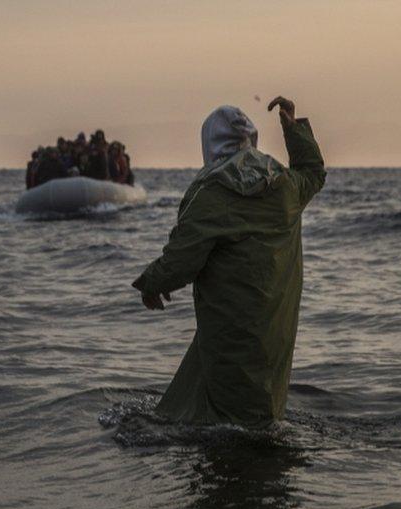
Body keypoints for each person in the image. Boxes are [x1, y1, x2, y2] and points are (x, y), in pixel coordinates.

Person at [131, 97, 326, 428]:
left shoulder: (211, 192)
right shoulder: (284, 186)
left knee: (224, 417)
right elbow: (313, 173)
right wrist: (292, 129)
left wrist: (152, 285)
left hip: (229, 326)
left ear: (209, 143)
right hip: (274, 326)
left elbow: (181, 258)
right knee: (260, 408)